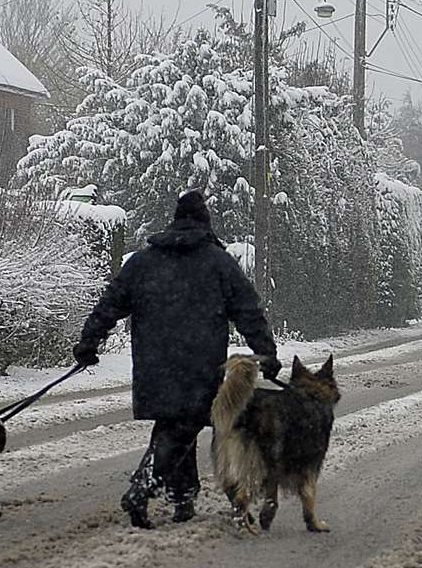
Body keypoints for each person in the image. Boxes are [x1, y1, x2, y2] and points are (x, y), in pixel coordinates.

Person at [72, 188, 281, 528]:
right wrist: (266, 354)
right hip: (198, 362)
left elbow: (109, 305)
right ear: (204, 222)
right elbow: (249, 312)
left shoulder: (143, 262)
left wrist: (89, 342)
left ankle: (183, 497)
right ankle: (142, 488)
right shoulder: (218, 263)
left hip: (154, 363)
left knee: (174, 424)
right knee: (182, 425)